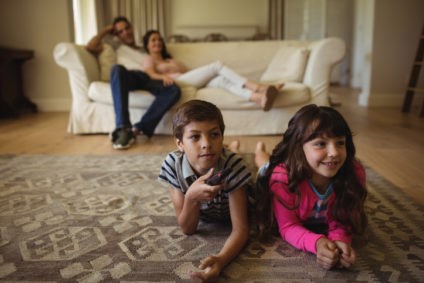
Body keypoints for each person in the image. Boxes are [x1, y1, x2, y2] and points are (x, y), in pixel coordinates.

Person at [253, 104, 368, 270]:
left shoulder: (354, 173)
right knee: (263, 163)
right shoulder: (282, 178)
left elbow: (344, 219)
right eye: (321, 143)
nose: (334, 152)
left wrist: (340, 241)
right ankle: (258, 150)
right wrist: (317, 242)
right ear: (299, 147)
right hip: (274, 172)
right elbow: (288, 226)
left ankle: (260, 150)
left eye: (340, 143)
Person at [158, 100, 251, 282]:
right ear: (179, 143)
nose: (207, 144)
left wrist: (221, 260)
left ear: (222, 136)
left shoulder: (234, 167)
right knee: (230, 154)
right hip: (204, 194)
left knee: (262, 166)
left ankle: (253, 151)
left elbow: (241, 229)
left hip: (231, 186)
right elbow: (187, 229)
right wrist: (191, 197)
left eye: (214, 135)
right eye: (195, 137)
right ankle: (233, 148)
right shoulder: (172, 165)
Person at [86, 17, 181, 150]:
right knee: (116, 69)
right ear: (116, 34)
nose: (125, 32)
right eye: (120, 31)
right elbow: (91, 46)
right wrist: (106, 31)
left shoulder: (145, 48)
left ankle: (139, 128)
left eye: (127, 28)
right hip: (128, 76)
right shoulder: (116, 46)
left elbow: (158, 62)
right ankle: (123, 127)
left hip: (148, 78)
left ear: (131, 28)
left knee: (174, 90)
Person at [142, 30, 284, 111]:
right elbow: (149, 74)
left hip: (189, 80)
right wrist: (163, 78)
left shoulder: (169, 59)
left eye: (159, 39)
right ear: (147, 45)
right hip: (177, 83)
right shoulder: (149, 59)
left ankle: (258, 97)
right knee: (216, 66)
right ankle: (258, 86)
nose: (158, 42)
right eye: (153, 40)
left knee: (221, 80)